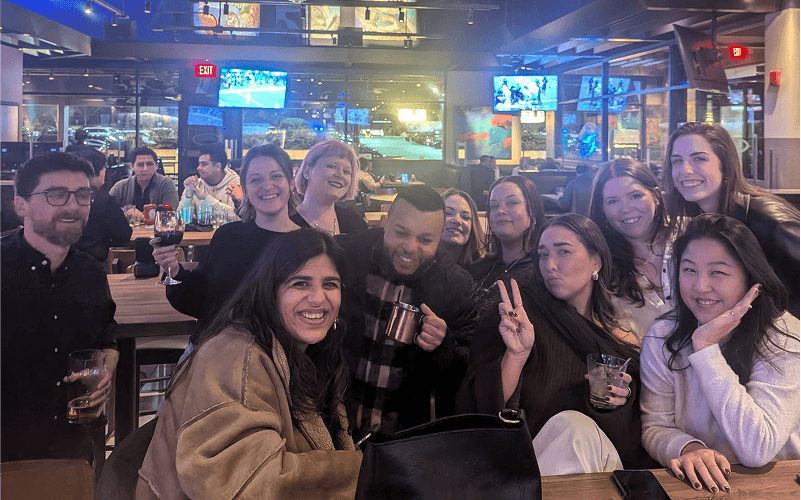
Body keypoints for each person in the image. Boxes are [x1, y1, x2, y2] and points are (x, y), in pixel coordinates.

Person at [137, 229, 362, 500]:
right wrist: (364, 471)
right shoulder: (234, 356)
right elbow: (241, 484)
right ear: (270, 289)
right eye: (300, 283)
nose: (317, 298)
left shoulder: (311, 352)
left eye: (330, 284)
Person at [458, 214, 649, 475]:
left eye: (563, 252)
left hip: (601, 465)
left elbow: (633, 441)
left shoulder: (623, 339)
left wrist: (617, 403)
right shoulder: (519, 315)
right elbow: (479, 411)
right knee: (572, 429)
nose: (550, 265)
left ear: (596, 261)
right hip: (521, 465)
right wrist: (516, 356)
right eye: (543, 254)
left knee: (577, 431)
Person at [641, 214, 799, 493]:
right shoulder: (663, 335)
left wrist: (705, 349)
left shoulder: (783, 334)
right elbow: (655, 426)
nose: (701, 287)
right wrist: (687, 447)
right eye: (689, 270)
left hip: (777, 485)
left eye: (718, 272)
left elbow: (757, 448)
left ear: (751, 277)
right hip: (700, 486)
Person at [1, 152, 118, 463]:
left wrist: (104, 371)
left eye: (83, 195)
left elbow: (106, 340)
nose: (73, 206)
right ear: (20, 204)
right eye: (56, 194)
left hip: (76, 449)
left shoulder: (91, 271)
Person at [336, 185, 476, 438]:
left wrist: (443, 345)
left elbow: (467, 372)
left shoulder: (456, 285)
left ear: (439, 236)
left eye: (425, 240)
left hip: (406, 436)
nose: (410, 248)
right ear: (387, 221)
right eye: (401, 233)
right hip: (337, 422)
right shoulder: (348, 256)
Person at [152, 145, 301, 346]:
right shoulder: (227, 236)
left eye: (276, 176)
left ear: (291, 183)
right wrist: (174, 269)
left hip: (282, 355)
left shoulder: (307, 243)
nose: (267, 186)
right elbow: (202, 301)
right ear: (245, 188)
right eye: (256, 179)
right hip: (220, 353)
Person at [663, 122, 799, 318]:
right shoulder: (703, 221)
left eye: (699, 159)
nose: (685, 170)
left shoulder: (769, 220)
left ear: (725, 165)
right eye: (676, 161)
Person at [589, 159, 675, 341]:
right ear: (603, 209)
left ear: (656, 197)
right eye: (613, 201)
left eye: (635, 196)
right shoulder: (601, 267)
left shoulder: (690, 240)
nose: (625, 209)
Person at [468, 176, 545, 321]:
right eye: (494, 206)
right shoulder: (477, 269)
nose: (500, 211)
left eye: (512, 203)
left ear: (533, 211)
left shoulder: (544, 274)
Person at [292, 140, 367, 235]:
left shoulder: (354, 222)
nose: (340, 175)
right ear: (307, 172)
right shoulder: (288, 227)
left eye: (346, 171)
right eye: (332, 166)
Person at [71, 148, 132, 262]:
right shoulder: (103, 201)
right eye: (104, 167)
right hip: (95, 265)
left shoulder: (64, 199)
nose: (105, 171)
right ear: (93, 173)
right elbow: (124, 235)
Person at [109, 147, 179, 222]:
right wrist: (127, 211)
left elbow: (172, 212)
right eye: (140, 164)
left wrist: (143, 215)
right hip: (127, 231)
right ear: (132, 166)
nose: (145, 168)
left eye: (149, 164)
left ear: (156, 166)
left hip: (157, 231)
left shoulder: (166, 184)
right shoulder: (120, 186)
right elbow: (106, 208)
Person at [178, 146, 240, 220]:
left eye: (204, 164)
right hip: (201, 231)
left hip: (229, 231)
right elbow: (180, 218)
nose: (198, 168)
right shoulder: (196, 185)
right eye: (199, 164)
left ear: (217, 166)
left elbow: (237, 216)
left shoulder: (235, 185)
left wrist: (206, 198)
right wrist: (188, 195)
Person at [438, 188, 486, 270]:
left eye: (465, 217)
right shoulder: (418, 265)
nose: (457, 220)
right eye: (448, 213)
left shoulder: (484, 269)